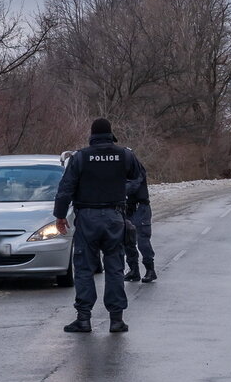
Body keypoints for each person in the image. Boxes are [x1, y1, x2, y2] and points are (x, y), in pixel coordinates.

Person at [53, 116, 144, 334]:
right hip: (114, 217)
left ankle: (83, 319)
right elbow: (139, 177)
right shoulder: (124, 155)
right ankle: (116, 320)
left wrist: (60, 215)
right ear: (110, 133)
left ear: (92, 135)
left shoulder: (81, 157)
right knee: (115, 267)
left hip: (87, 217)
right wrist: (123, 191)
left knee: (84, 267)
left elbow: (66, 187)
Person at [123, 167, 155, 283]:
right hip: (127, 208)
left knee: (142, 240)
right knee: (127, 240)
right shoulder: (120, 168)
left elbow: (133, 185)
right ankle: (133, 270)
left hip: (140, 208)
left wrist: (115, 190)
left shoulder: (137, 169)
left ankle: (150, 270)